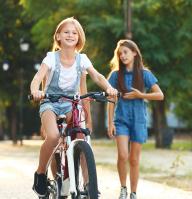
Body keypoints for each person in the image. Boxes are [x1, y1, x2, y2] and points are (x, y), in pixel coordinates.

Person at [30, 17, 118, 197]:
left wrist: (108, 88)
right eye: (66, 32)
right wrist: (35, 91)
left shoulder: (82, 59)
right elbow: (38, 79)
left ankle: (89, 184)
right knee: (53, 136)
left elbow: (97, 76)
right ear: (58, 36)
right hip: (50, 102)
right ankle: (40, 174)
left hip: (71, 104)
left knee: (81, 137)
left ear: (79, 37)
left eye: (74, 32)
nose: (70, 35)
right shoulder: (51, 58)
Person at [107, 39, 164, 199]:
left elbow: (160, 95)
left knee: (134, 159)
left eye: (125, 52)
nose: (122, 56)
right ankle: (123, 189)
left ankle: (133, 193)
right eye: (120, 54)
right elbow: (111, 100)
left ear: (134, 53)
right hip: (121, 120)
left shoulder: (145, 74)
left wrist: (141, 95)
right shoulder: (115, 75)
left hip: (139, 121)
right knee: (123, 155)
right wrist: (110, 122)